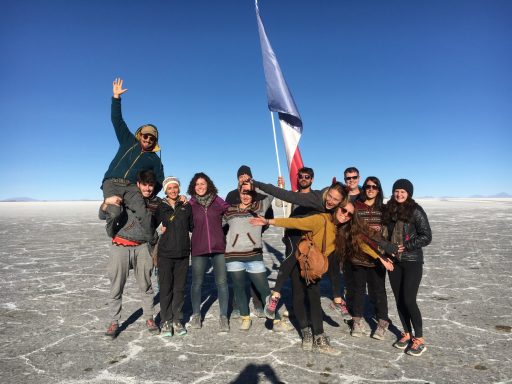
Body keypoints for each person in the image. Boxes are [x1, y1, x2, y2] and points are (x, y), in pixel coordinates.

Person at [251, 191, 353, 356]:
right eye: (343, 211)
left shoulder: (342, 230)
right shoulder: (321, 219)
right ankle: (306, 331)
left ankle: (319, 337)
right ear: (337, 208)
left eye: (349, 214)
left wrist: (384, 254)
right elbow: (295, 222)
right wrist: (269, 221)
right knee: (298, 295)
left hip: (314, 266)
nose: (346, 215)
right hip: (301, 258)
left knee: (314, 298)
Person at [251, 176, 350, 320]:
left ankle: (337, 300)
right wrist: (258, 183)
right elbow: (285, 195)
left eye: (335, 200)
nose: (330, 201)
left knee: (332, 258)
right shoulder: (315, 198)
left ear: (341, 201)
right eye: (330, 196)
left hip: (311, 230)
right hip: (295, 227)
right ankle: (275, 296)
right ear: (327, 192)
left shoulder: (339, 209)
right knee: (293, 255)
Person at [101, 78, 164, 242]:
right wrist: (116, 98)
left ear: (154, 141)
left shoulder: (154, 159)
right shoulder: (128, 141)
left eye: (152, 138)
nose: (148, 140)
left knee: (143, 213)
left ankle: (153, 239)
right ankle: (111, 231)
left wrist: (148, 192)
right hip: (112, 182)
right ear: (140, 135)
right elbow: (117, 121)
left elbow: (160, 179)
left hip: (131, 187)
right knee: (114, 211)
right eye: (145, 136)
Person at [223, 184, 292, 332]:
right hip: (233, 257)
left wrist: (258, 186)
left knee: (265, 291)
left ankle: (276, 320)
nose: (246, 196)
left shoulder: (260, 207)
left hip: (254, 256)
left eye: (249, 193)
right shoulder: (229, 211)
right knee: (239, 289)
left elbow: (271, 193)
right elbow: (216, 225)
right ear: (239, 194)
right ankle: (245, 318)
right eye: (243, 193)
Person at [100, 170, 161, 338]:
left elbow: (169, 211)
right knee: (116, 286)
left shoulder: (156, 202)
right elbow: (101, 214)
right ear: (138, 184)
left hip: (143, 248)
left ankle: (149, 318)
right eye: (145, 185)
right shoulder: (125, 196)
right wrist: (106, 203)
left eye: (151, 185)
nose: (148, 189)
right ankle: (114, 322)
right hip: (120, 246)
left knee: (146, 286)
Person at [341, 176, 396, 339]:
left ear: (378, 190)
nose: (370, 189)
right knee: (358, 289)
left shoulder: (384, 209)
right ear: (363, 189)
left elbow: (393, 229)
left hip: (379, 257)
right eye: (367, 187)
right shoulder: (356, 207)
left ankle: (382, 322)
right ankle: (356, 321)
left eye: (374, 186)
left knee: (378, 290)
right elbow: (355, 231)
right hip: (358, 255)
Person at [383, 179, 432, 356]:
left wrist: (408, 245)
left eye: (403, 191)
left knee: (409, 299)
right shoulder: (389, 210)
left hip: (412, 261)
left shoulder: (416, 211)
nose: (399, 194)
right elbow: (384, 233)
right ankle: (406, 333)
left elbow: (426, 236)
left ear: (409, 193)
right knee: (399, 300)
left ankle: (419, 338)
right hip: (394, 261)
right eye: (397, 191)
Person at [225, 165, 272, 318]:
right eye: (241, 175)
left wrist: (256, 233)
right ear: (237, 178)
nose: (243, 177)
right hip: (234, 244)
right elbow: (224, 217)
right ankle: (237, 305)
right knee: (237, 280)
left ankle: (259, 304)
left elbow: (267, 209)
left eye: (247, 175)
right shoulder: (231, 194)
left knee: (256, 278)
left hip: (253, 240)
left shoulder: (257, 194)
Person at [187, 172, 230, 332]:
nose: (200, 187)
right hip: (199, 248)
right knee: (197, 283)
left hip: (218, 248)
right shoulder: (190, 204)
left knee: (222, 283)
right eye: (197, 184)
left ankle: (224, 316)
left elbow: (229, 212)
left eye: (203, 184)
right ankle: (197, 315)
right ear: (193, 187)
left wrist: (221, 228)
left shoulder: (217, 200)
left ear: (208, 185)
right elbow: (182, 221)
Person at [155, 176, 193, 337]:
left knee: (179, 289)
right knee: (165, 289)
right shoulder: (160, 206)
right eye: (169, 188)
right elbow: (151, 226)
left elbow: (192, 226)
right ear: (165, 190)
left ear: (179, 189)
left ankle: (177, 320)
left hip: (183, 253)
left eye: (175, 187)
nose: (173, 190)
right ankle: (165, 321)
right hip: (165, 254)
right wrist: (157, 232)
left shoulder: (186, 206)